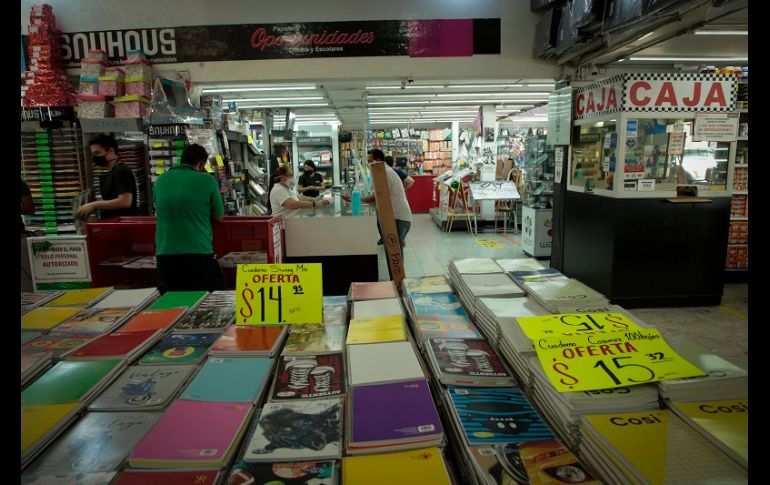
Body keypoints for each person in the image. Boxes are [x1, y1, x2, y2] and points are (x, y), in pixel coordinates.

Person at [153, 144, 225, 294]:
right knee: (212, 296)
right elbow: (219, 216)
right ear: (200, 164)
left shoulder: (160, 180)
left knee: (172, 301)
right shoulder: (207, 180)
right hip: (198, 253)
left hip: (165, 255)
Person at [343, 149, 412, 248]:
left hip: (399, 218)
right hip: (396, 217)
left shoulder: (385, 172)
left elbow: (377, 196)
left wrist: (357, 199)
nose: (368, 164)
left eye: (370, 161)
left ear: (378, 160)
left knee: (395, 256)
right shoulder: (383, 171)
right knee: (393, 253)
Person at [76, 134, 137, 220]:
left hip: (122, 225)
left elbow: (125, 201)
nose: (95, 158)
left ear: (111, 151)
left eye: (97, 153)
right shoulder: (112, 171)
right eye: (93, 154)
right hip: (113, 223)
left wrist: (94, 205)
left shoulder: (122, 171)